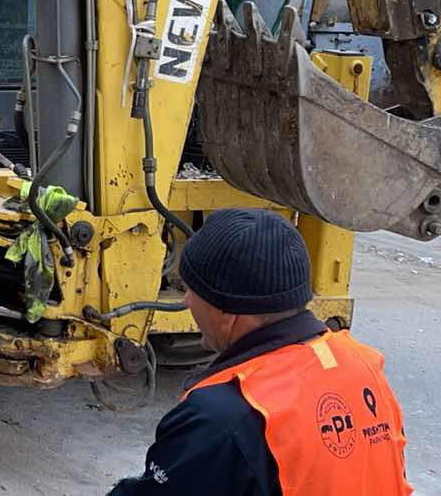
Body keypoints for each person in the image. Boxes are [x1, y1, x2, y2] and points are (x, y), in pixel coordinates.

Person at [110, 209, 411, 495]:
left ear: (226, 311)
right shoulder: (364, 365)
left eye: (191, 290)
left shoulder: (226, 418)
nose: (187, 301)